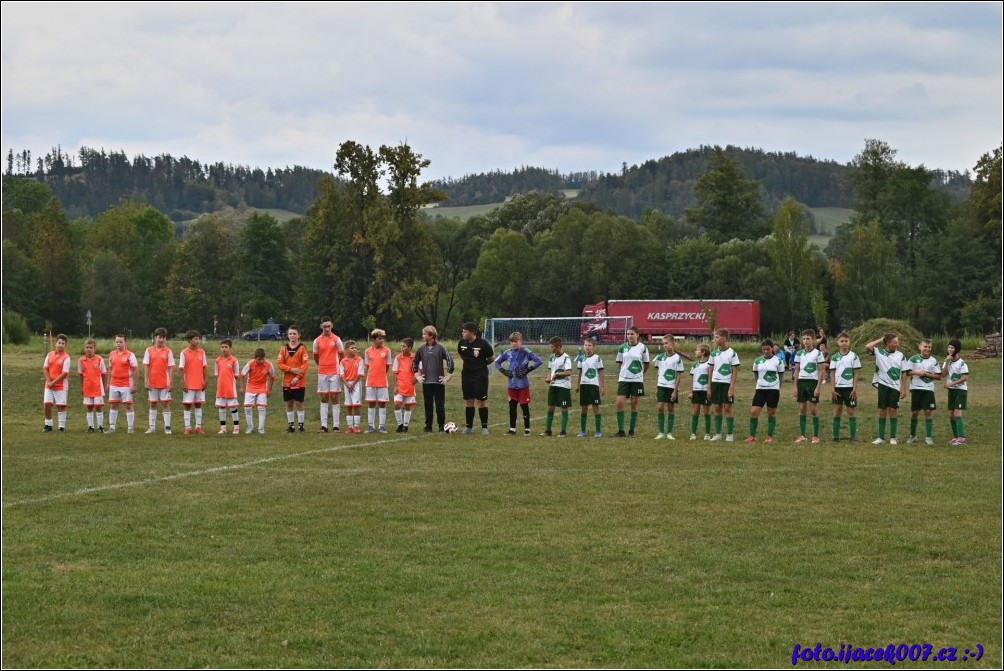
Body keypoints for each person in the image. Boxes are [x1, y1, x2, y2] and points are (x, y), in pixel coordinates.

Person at [495, 331, 543, 436]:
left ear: (521, 341)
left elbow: (539, 361)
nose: (513, 344)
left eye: (516, 341)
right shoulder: (507, 352)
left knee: (524, 406)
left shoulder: (526, 352)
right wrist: (503, 371)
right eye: (511, 342)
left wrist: (527, 370)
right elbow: (496, 362)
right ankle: (512, 429)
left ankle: (527, 429)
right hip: (511, 385)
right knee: (512, 407)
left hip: (523, 385)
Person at [865, 332, 907, 445]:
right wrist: (880, 339)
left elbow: (904, 373)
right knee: (882, 410)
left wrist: (903, 388)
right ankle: (881, 437)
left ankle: (893, 437)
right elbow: (868, 346)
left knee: (893, 410)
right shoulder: (879, 352)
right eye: (895, 342)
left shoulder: (901, 355)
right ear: (888, 343)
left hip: (895, 387)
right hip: (883, 385)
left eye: (897, 342)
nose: (897, 344)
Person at [412, 325, 454, 433]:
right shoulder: (421, 348)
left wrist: (448, 375)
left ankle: (441, 426)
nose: (423, 336)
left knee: (440, 404)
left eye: (425, 334)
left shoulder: (440, 347)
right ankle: (428, 426)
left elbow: (450, 360)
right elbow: (415, 362)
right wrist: (417, 375)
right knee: (428, 404)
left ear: (431, 335)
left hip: (439, 382)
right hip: (426, 382)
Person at [457, 321, 496, 435]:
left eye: (465, 331)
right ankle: (469, 427)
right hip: (466, 375)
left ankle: (484, 427)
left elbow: (491, 358)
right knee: (469, 400)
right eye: (463, 331)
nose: (462, 333)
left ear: (472, 333)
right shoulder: (462, 343)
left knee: (481, 401)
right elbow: (461, 355)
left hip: (480, 375)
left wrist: (480, 365)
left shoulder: (483, 344)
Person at [614, 326, 650, 438]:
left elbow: (646, 364)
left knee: (634, 404)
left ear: (637, 335)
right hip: (623, 379)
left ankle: (631, 431)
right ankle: (621, 431)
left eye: (632, 334)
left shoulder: (643, 348)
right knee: (619, 403)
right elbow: (619, 363)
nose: (629, 336)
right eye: (628, 334)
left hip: (637, 380)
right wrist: (624, 372)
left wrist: (639, 374)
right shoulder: (622, 347)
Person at [746, 339, 784, 443]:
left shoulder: (778, 361)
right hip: (760, 389)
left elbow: (781, 376)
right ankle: (752, 436)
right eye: (764, 349)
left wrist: (778, 387)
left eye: (768, 349)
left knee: (771, 413)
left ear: (772, 348)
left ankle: (769, 436)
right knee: (754, 412)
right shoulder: (757, 361)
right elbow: (755, 374)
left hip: (773, 390)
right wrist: (759, 383)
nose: (766, 351)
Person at [904, 338, 941, 445]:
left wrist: (927, 374)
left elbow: (938, 376)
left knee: (928, 412)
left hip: (928, 389)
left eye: (929, 347)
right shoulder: (913, 359)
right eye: (925, 346)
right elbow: (906, 372)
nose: (927, 349)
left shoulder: (933, 361)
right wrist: (917, 372)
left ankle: (928, 437)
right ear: (919, 347)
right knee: (915, 412)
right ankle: (912, 436)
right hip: (916, 388)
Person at [793, 328, 825, 444]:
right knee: (802, 409)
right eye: (804, 339)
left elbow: (821, 371)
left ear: (813, 340)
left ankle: (816, 436)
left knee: (813, 409)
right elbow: (796, 371)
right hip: (801, 382)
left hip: (812, 383)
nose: (806, 341)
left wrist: (818, 387)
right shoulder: (799, 353)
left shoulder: (818, 353)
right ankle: (802, 435)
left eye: (808, 339)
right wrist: (795, 386)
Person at [313, 317, 344, 433]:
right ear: (321, 326)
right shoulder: (317, 341)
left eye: (329, 326)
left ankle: (336, 426)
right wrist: (321, 365)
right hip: (322, 372)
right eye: (324, 326)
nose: (327, 328)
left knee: (335, 397)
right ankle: (324, 426)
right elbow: (316, 356)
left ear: (332, 326)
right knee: (324, 397)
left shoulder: (337, 339)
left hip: (334, 372)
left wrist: (337, 366)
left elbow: (342, 355)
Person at [828, 332, 862, 442]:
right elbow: (832, 374)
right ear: (838, 343)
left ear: (849, 342)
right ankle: (836, 437)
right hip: (838, 388)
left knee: (851, 411)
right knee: (837, 410)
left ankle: (852, 437)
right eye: (841, 341)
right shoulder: (834, 357)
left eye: (846, 341)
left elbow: (856, 374)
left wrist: (854, 389)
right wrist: (832, 389)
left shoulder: (854, 356)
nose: (844, 343)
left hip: (850, 388)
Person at [708, 328, 740, 442]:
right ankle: (718, 434)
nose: (714, 339)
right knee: (717, 407)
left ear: (724, 338)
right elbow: (710, 370)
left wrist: (732, 387)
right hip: (716, 383)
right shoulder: (713, 353)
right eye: (714, 337)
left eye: (717, 337)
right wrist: (709, 387)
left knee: (727, 408)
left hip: (726, 384)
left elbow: (735, 371)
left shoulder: (732, 353)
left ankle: (730, 434)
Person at [277, 325, 310, 433]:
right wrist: (291, 369)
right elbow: (280, 364)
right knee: (289, 403)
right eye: (290, 333)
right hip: (287, 381)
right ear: (288, 335)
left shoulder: (302, 348)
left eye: (294, 333)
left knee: (299, 402)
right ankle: (291, 426)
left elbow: (305, 365)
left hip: (299, 381)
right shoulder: (283, 348)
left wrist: (297, 377)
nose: (292, 336)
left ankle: (301, 426)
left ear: (299, 335)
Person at [143, 327, 175, 434]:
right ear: (155, 337)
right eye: (159, 337)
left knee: (166, 404)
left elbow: (170, 367)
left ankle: (167, 427)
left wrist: (170, 382)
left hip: (164, 383)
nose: (161, 340)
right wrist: (146, 381)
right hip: (152, 383)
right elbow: (146, 367)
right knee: (153, 404)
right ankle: (152, 427)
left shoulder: (168, 351)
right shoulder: (148, 350)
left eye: (163, 338)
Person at [653, 335, 686, 440]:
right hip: (661, 386)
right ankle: (661, 432)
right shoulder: (660, 357)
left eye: (666, 343)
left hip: (672, 387)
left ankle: (670, 433)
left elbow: (678, 376)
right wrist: (657, 387)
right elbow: (658, 373)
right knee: (660, 408)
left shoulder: (677, 358)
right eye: (663, 343)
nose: (664, 345)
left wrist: (675, 391)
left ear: (672, 344)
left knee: (671, 408)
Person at [540, 336, 573, 437]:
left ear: (558, 347)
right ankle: (548, 431)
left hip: (563, 387)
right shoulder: (552, 357)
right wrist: (548, 378)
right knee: (550, 408)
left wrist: (557, 375)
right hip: (553, 386)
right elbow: (551, 371)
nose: (550, 349)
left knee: (563, 407)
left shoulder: (566, 358)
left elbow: (569, 372)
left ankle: (563, 431)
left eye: (552, 347)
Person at [107, 334, 138, 433]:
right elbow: (110, 369)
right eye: (117, 342)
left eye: (120, 342)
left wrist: (135, 385)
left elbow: (136, 370)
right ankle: (112, 427)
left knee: (128, 405)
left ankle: (130, 428)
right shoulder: (112, 354)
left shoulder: (130, 355)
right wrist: (108, 383)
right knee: (113, 405)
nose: (118, 344)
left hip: (126, 384)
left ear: (125, 343)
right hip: (114, 384)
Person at [179, 330, 208, 436]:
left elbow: (204, 367)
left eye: (198, 338)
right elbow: (181, 369)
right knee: (187, 405)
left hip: (199, 384)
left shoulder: (202, 352)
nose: (198, 340)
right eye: (195, 339)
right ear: (189, 340)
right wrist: (183, 383)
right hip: (189, 384)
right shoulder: (184, 353)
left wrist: (205, 380)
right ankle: (187, 428)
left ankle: (198, 427)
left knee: (198, 404)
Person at [241, 347, 275, 434]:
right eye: (259, 359)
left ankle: (261, 428)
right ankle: (250, 427)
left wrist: (269, 390)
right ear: (255, 358)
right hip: (251, 387)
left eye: (263, 359)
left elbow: (272, 377)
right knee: (247, 407)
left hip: (262, 388)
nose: (261, 361)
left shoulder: (269, 365)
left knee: (261, 407)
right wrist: (242, 387)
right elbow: (242, 374)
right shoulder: (250, 364)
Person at [364, 328, 392, 433]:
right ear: (374, 339)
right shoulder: (367, 351)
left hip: (382, 382)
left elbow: (387, 366)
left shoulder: (387, 351)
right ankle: (370, 426)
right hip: (371, 381)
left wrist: (381, 374)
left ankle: (381, 426)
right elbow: (368, 366)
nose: (382, 341)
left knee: (382, 403)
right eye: (379, 338)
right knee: (371, 403)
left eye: (383, 339)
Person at [575, 337, 604, 438]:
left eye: (589, 345)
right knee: (584, 408)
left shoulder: (597, 358)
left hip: (594, 385)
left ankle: (598, 431)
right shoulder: (581, 358)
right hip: (584, 385)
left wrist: (602, 387)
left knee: (596, 407)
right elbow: (579, 372)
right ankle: (583, 431)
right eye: (585, 345)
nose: (587, 347)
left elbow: (600, 372)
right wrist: (577, 385)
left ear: (594, 347)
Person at [42, 333, 71, 433]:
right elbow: (45, 368)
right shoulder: (49, 354)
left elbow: (64, 373)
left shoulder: (66, 358)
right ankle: (48, 425)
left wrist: (53, 382)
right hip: (49, 385)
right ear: (56, 343)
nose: (60, 345)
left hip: (61, 386)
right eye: (59, 342)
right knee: (47, 404)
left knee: (61, 406)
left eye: (63, 343)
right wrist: (49, 382)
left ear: (65, 345)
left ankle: (61, 427)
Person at [943, 339, 969, 445]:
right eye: (949, 347)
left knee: (957, 413)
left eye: (952, 347)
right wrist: (946, 361)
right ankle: (955, 437)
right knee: (951, 415)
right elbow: (943, 374)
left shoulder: (962, 363)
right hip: (952, 391)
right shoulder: (948, 362)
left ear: (956, 349)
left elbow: (964, 378)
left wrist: (951, 384)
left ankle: (962, 438)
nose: (950, 349)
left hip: (960, 391)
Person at [78, 339, 108, 432]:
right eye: (87, 347)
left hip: (97, 387)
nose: (89, 349)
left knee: (98, 406)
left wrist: (104, 385)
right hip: (87, 387)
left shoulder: (99, 359)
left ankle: (100, 427)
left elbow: (103, 373)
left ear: (94, 349)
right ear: (84, 348)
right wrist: (82, 387)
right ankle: (90, 427)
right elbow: (81, 374)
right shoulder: (81, 360)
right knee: (89, 407)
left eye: (91, 347)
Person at [215, 339, 241, 434]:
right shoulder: (217, 360)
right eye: (222, 347)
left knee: (233, 408)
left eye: (226, 347)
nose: (224, 349)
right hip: (221, 389)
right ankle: (223, 428)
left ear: (230, 348)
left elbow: (236, 375)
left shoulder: (234, 361)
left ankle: (236, 427)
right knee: (221, 408)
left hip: (230, 389)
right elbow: (216, 374)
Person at [688, 343, 713, 440]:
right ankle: (693, 434)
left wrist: (709, 390)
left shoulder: (709, 365)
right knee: (695, 412)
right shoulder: (695, 365)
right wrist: (691, 391)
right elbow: (692, 379)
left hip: (706, 391)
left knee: (706, 412)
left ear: (703, 352)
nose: (695, 352)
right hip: (696, 391)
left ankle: (707, 434)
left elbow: (711, 378)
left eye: (697, 350)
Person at [392, 338, 417, 432]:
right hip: (400, 386)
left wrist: (416, 380)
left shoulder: (415, 358)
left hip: (410, 386)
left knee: (408, 406)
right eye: (401, 346)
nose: (401, 348)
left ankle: (405, 426)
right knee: (397, 404)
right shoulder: (398, 358)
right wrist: (395, 386)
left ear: (409, 348)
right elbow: (395, 372)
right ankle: (400, 424)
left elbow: (420, 371)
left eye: (404, 346)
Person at [340, 340, 364, 433]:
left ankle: (356, 426)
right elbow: (342, 374)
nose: (354, 349)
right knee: (348, 406)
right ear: (346, 350)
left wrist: (353, 384)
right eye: (352, 348)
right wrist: (347, 384)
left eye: (355, 348)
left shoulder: (359, 360)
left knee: (356, 405)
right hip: (347, 384)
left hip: (356, 384)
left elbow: (360, 374)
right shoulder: (343, 361)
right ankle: (350, 427)